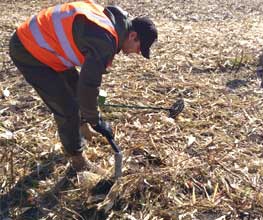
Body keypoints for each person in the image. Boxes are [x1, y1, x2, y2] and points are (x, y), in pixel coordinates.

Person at [9, 1, 158, 172]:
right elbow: (88, 86)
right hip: (28, 49)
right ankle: (78, 161)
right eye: (140, 48)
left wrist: (90, 119)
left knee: (74, 86)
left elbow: (83, 85)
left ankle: (84, 129)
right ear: (132, 36)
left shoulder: (111, 22)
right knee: (67, 107)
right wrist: (96, 120)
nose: (137, 52)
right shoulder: (105, 39)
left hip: (45, 45)